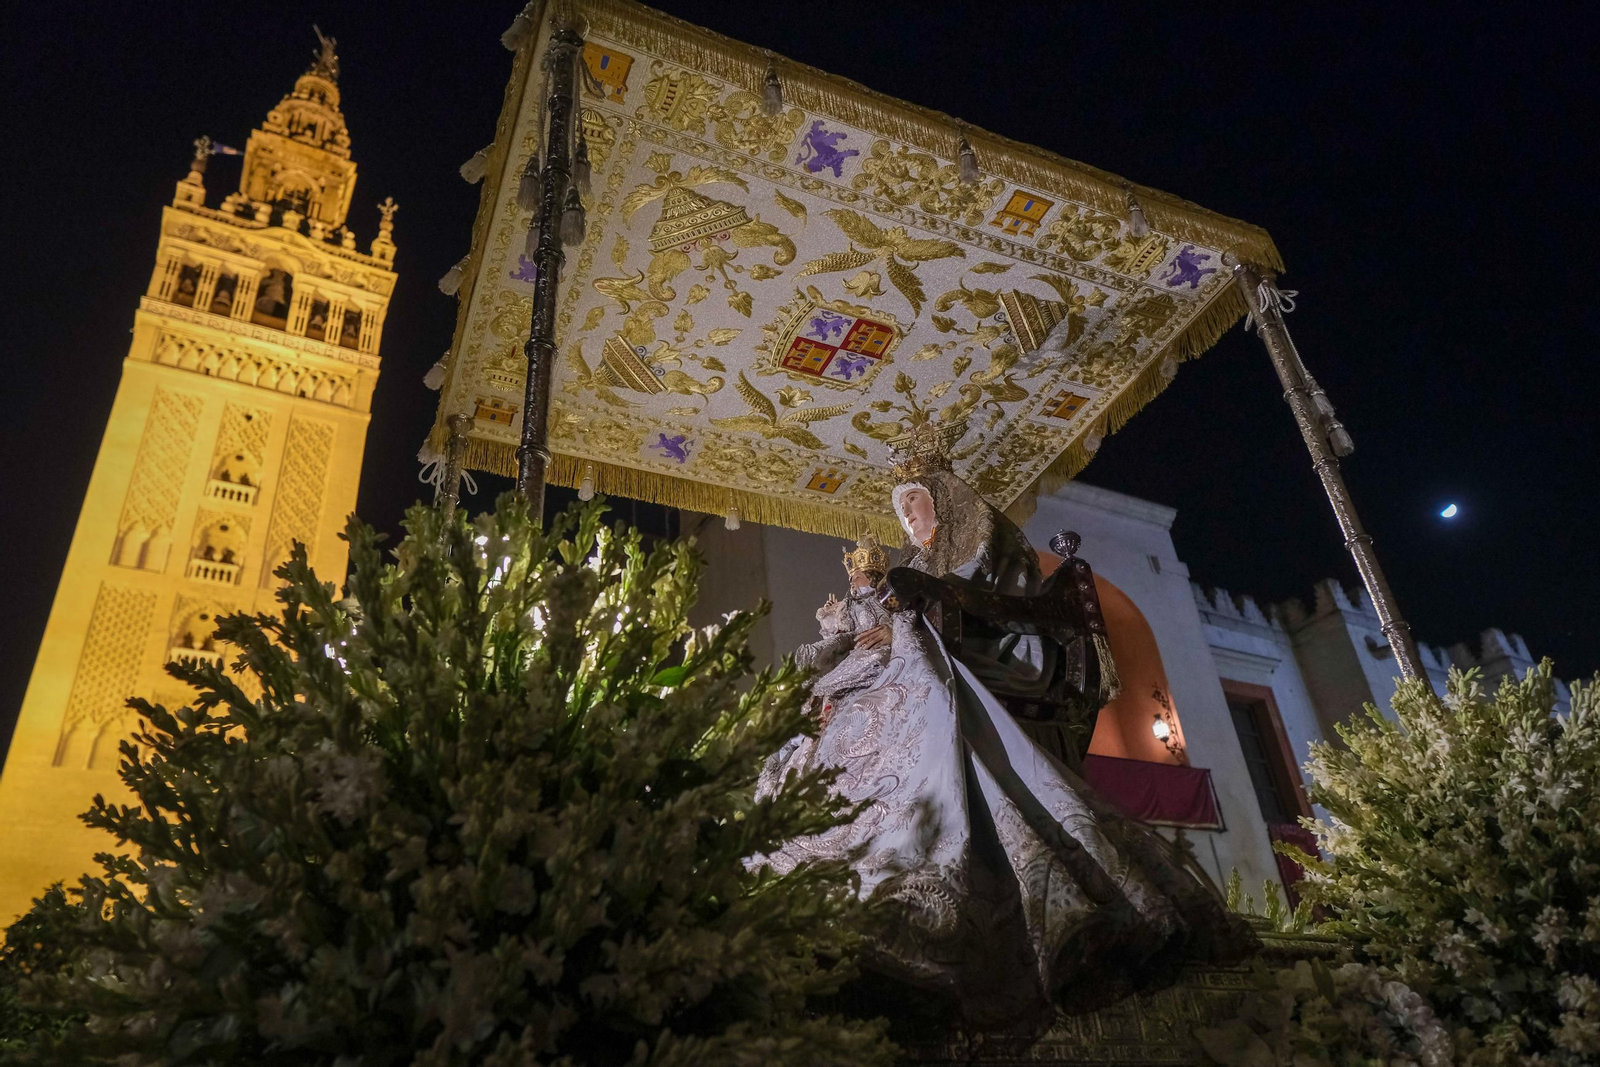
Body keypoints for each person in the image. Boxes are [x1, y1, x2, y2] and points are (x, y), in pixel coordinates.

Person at [755, 423, 1252, 1034]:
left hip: (1000, 655)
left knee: (896, 689)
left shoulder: (990, 541)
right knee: (828, 713)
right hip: (934, 652)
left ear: (943, 497)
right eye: (901, 510)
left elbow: (1005, 606)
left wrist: (910, 616)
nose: (908, 519)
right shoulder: (917, 564)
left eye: (915, 503)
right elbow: (905, 610)